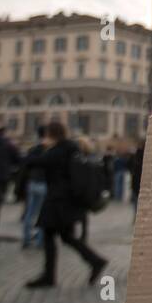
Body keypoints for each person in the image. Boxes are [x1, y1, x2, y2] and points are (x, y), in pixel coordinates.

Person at [22, 122, 107, 289]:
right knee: (65, 237)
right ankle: (94, 261)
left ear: (51, 134)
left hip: (58, 201)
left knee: (51, 235)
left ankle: (50, 275)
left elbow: (32, 161)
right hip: (67, 201)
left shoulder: (58, 150)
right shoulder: (71, 149)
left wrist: (40, 146)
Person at [20, 126, 48, 248]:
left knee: (30, 213)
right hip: (45, 183)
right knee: (43, 214)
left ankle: (26, 239)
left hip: (33, 182)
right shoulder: (49, 149)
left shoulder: (32, 149)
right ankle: (40, 241)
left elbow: (25, 165)